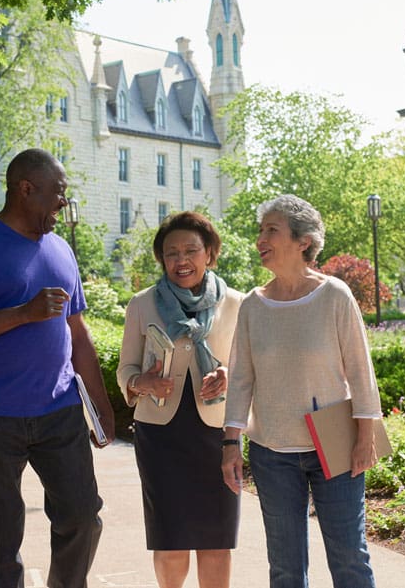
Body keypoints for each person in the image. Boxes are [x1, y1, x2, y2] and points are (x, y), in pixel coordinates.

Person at [0, 148, 115, 588]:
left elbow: (78, 333)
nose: (63, 203)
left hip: (59, 411)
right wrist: (21, 314)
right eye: (59, 193)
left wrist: (102, 406)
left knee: (83, 516)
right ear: (26, 189)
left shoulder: (62, 250)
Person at [221, 194, 382, 588]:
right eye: (261, 230)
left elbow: (361, 373)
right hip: (271, 453)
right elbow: (241, 378)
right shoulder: (253, 306)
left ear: (303, 241)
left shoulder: (334, 296)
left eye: (271, 230)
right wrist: (230, 443)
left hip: (335, 446)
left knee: (349, 559)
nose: (261, 238)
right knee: (286, 569)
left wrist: (366, 438)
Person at [117, 211, 243, 588]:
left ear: (210, 254)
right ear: (162, 259)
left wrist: (228, 375)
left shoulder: (237, 304)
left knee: (216, 542)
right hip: (160, 439)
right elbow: (125, 370)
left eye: (191, 250)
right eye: (172, 253)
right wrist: (143, 382)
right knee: (170, 540)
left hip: (218, 436)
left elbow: (250, 370)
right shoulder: (142, 304)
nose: (181, 260)